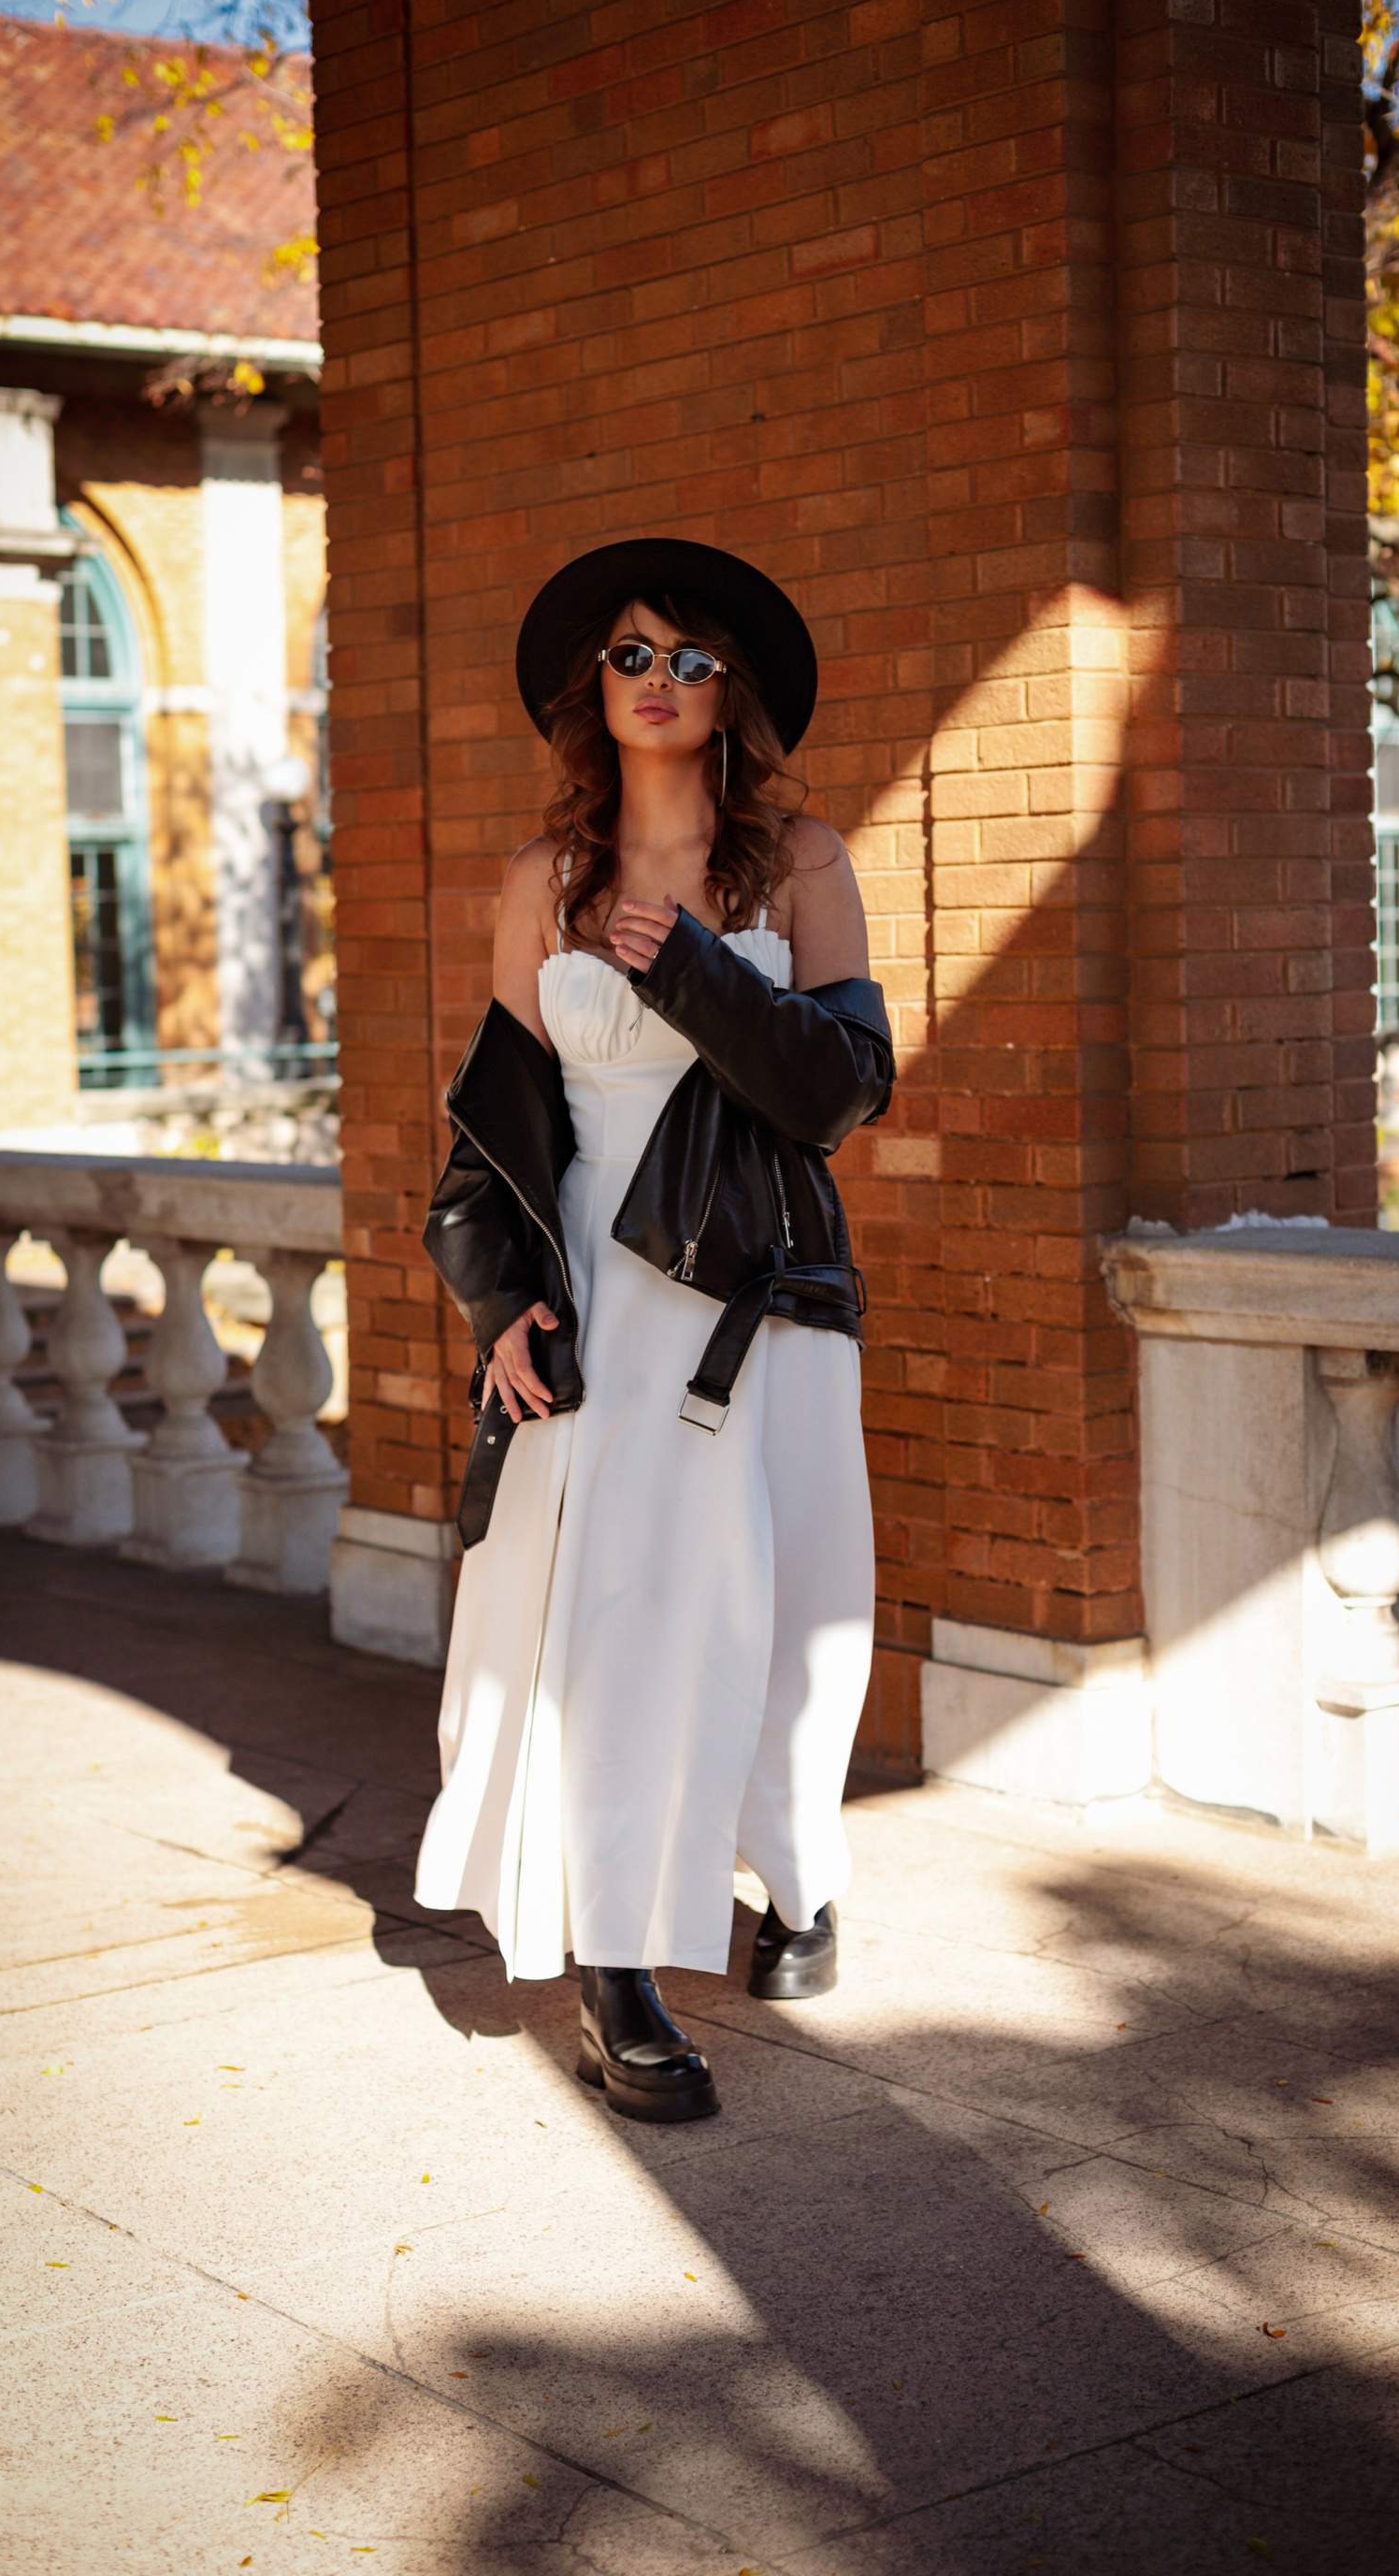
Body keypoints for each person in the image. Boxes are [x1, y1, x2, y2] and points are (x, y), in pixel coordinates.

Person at [414, 538, 894, 2126]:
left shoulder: (801, 863)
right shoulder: (541, 883)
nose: (660, 681)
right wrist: (501, 1302)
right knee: (620, 1611)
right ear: (594, 688)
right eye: (632, 654)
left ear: (731, 692)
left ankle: (797, 1874)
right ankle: (615, 1961)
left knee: (796, 1604)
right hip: (606, 1292)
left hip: (767, 1287)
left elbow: (841, 1092)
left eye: (692, 659)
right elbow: (501, 1126)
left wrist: (691, 968)